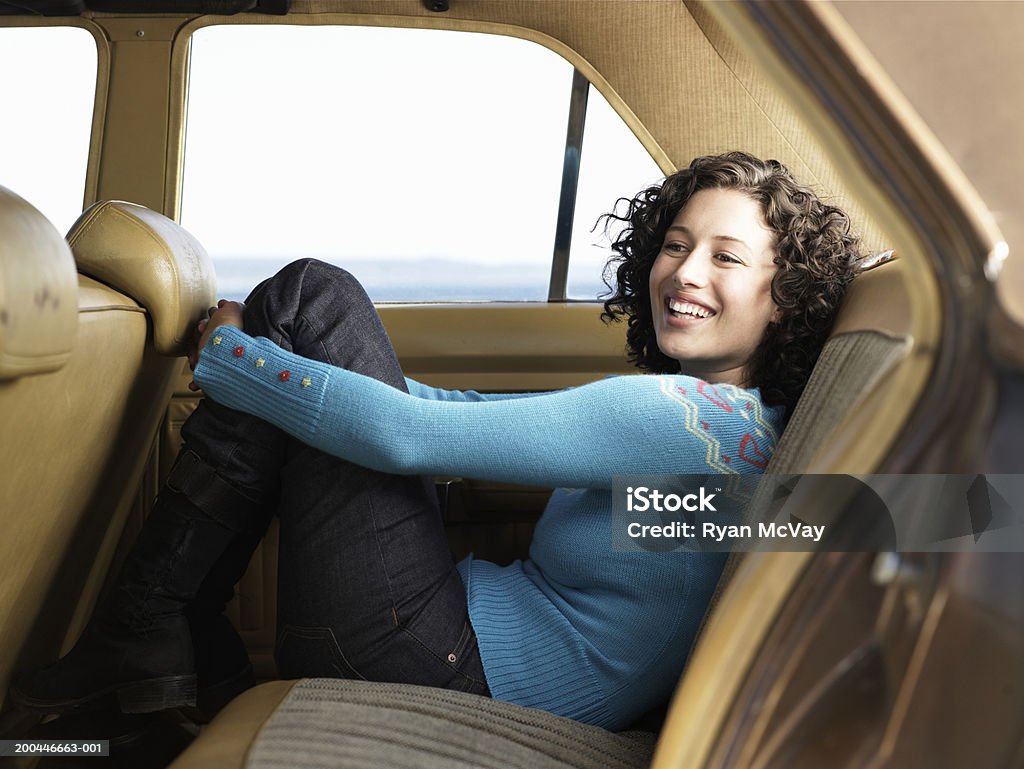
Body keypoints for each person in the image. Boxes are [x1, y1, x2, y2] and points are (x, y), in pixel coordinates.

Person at [11, 151, 860, 731]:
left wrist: (230, 357)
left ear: (784, 299)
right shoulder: (740, 437)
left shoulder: (676, 419)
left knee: (315, 295)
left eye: (726, 257)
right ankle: (160, 635)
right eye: (675, 246)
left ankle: (149, 628)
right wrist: (290, 365)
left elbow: (411, 435)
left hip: (427, 661)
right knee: (311, 330)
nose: (684, 273)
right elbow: (462, 413)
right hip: (450, 650)